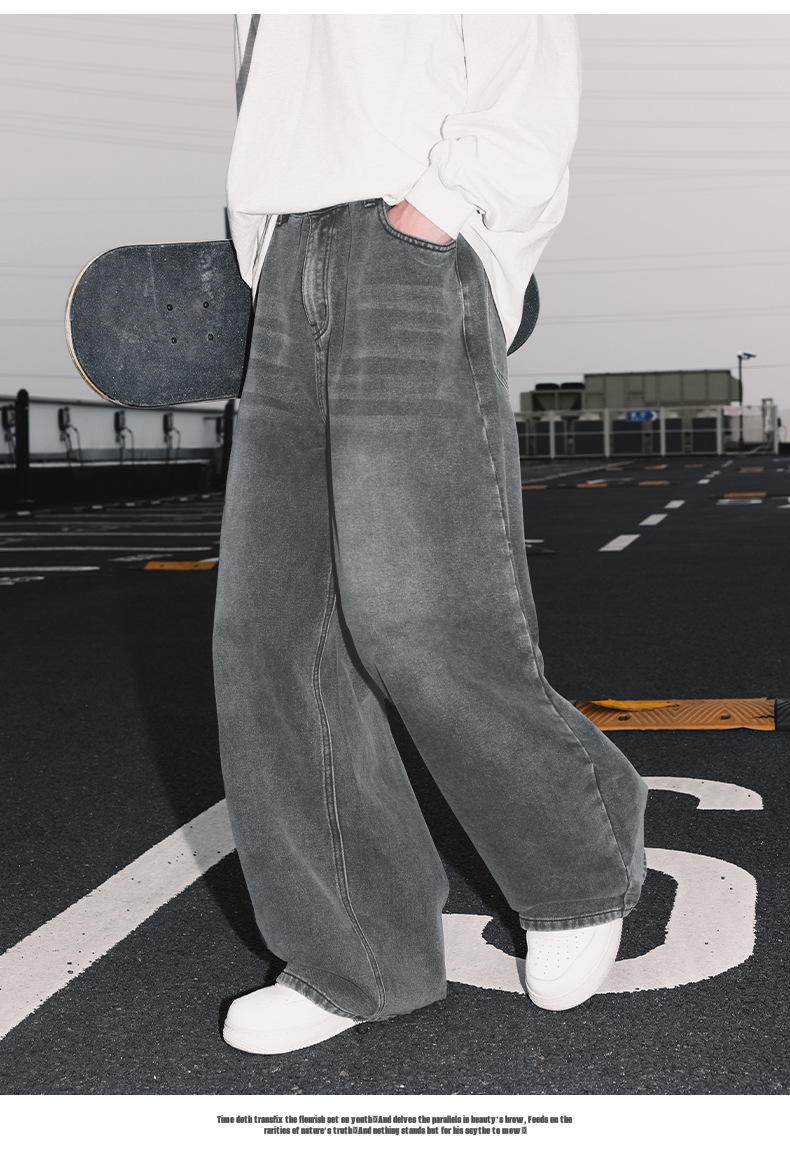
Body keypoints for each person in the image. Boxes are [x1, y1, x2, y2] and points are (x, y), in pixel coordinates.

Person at [213, 14, 648, 1056]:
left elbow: (525, 62)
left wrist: (438, 212)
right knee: (271, 636)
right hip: (288, 252)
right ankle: (356, 953)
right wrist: (269, 250)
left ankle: (577, 864)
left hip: (408, 236)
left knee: (419, 610)